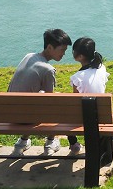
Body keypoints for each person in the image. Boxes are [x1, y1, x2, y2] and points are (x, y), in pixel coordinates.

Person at [7, 28, 71, 156]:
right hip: (26, 117)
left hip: (9, 112)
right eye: (62, 50)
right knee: (56, 101)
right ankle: (50, 142)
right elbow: (50, 101)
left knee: (35, 100)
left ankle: (22, 142)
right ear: (49, 47)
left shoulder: (28, 56)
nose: (64, 54)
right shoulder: (48, 69)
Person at [67, 36, 113, 155]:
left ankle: (74, 145)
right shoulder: (102, 69)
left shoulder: (77, 78)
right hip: (103, 115)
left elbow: (75, 101)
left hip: (84, 118)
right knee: (102, 109)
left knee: (66, 116)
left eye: (74, 51)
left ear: (80, 56)